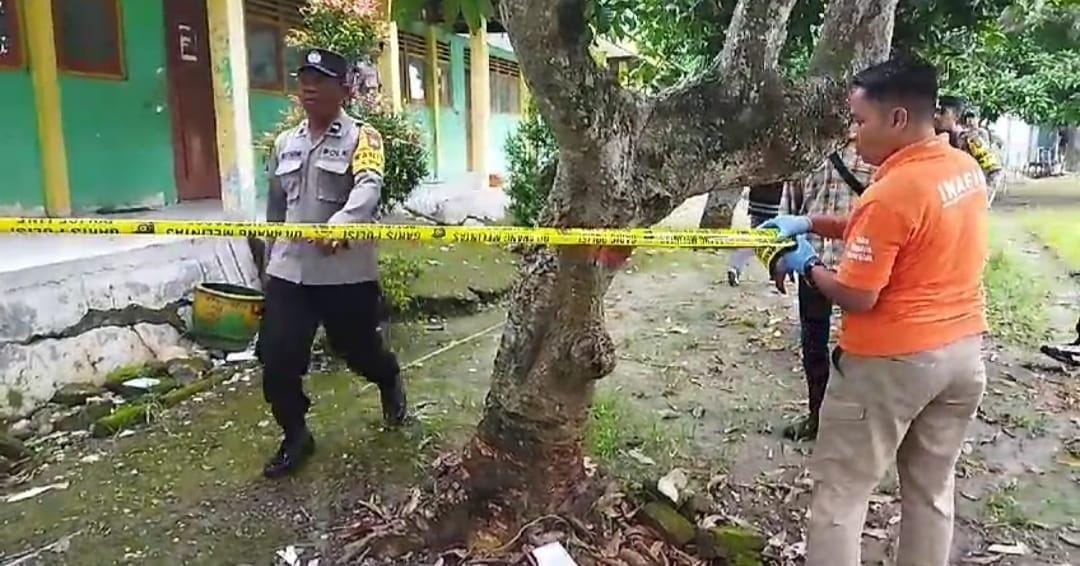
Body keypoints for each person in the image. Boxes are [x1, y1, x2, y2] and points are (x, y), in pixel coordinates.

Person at [764, 56, 990, 566]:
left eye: (859, 121)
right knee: (931, 492)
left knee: (840, 496)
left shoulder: (891, 192)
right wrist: (812, 223)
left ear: (897, 120)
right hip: (961, 355)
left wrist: (804, 265)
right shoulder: (962, 169)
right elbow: (900, 231)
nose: (852, 134)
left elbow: (857, 294)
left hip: (890, 364)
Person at [257, 48, 407, 479]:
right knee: (277, 356)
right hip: (291, 272)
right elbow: (276, 205)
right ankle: (296, 434)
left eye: (320, 80)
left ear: (344, 90)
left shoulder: (364, 138)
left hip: (345, 274)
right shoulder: (286, 143)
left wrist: (341, 224)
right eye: (304, 78)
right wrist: (269, 260)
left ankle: (388, 378)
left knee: (357, 350)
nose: (308, 87)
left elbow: (369, 185)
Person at [777, 128, 876, 441]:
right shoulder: (808, 150)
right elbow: (789, 207)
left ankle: (861, 423)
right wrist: (781, 256)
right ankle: (817, 417)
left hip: (863, 265)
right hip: (813, 261)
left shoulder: (875, 148)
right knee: (813, 346)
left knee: (862, 349)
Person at [936, 96, 1004, 205]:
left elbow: (994, 169)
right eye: (935, 111)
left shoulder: (969, 139)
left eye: (942, 112)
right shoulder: (935, 138)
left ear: (956, 115)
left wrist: (982, 200)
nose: (936, 116)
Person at [726, 182, 784, 286]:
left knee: (763, 240)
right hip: (772, 204)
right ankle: (736, 266)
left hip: (758, 201)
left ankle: (774, 272)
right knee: (764, 241)